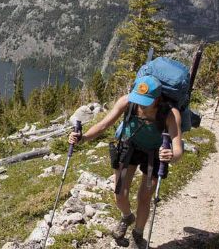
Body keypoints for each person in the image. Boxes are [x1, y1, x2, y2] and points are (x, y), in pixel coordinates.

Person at [68, 75, 183, 248]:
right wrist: (82, 138)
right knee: (119, 193)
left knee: (144, 197)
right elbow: (103, 125)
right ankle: (127, 216)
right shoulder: (128, 102)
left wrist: (171, 156)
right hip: (129, 147)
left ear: (157, 99)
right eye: (139, 98)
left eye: (146, 101)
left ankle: (138, 235)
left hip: (154, 154)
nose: (141, 104)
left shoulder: (170, 114)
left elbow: (178, 146)